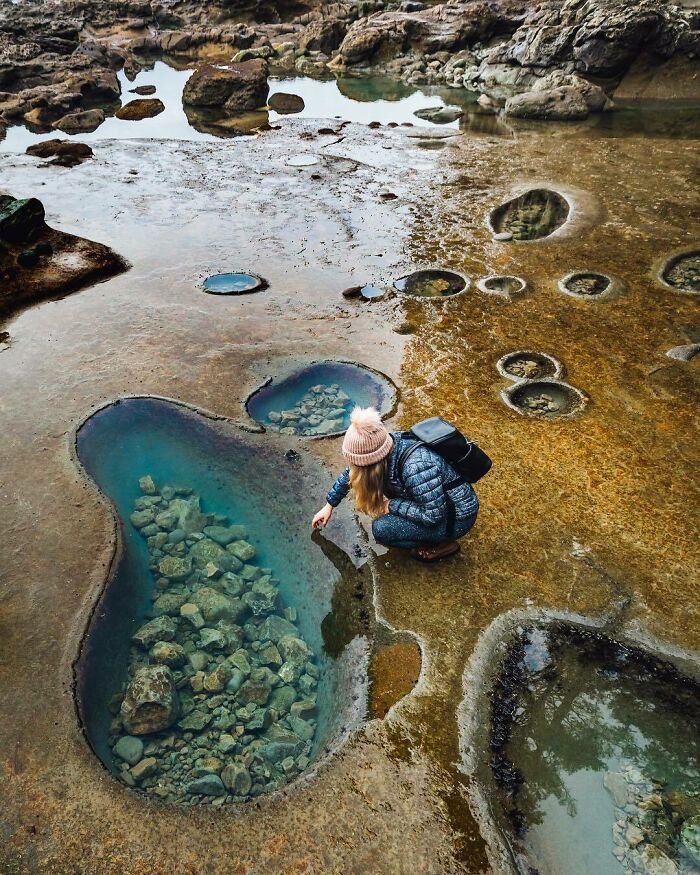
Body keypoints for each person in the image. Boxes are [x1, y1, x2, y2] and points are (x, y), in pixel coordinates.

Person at [311, 406, 479, 562]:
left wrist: (392, 505)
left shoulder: (416, 467)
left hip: (456, 518)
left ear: (371, 462)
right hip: (434, 501)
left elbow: (433, 516)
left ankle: (445, 545)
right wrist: (329, 505)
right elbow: (352, 473)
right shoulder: (386, 446)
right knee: (389, 519)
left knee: (382, 529)